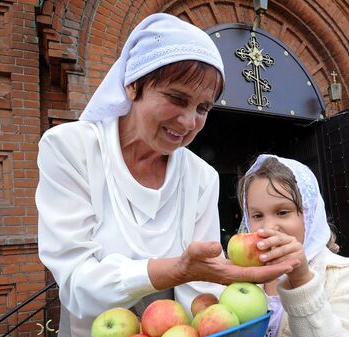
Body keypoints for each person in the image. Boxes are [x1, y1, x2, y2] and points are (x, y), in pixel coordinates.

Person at [36, 14, 296, 337]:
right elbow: (77, 286)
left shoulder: (202, 178)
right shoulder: (71, 150)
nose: (189, 122)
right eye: (177, 98)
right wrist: (175, 269)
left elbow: (198, 294)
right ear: (133, 84)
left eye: (203, 108)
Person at [238, 154, 349, 337]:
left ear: (310, 214)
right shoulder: (245, 275)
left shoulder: (345, 274)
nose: (268, 227)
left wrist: (301, 280)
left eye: (283, 212)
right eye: (257, 216)